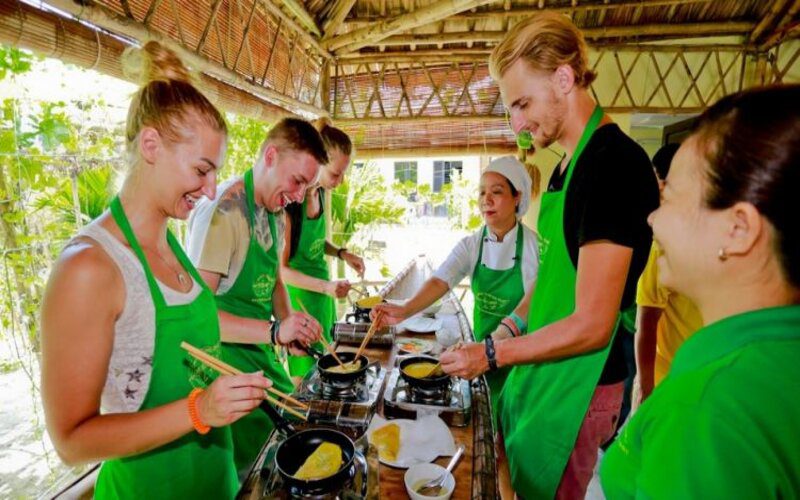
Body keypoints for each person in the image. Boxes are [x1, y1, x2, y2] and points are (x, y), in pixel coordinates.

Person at [439, 12, 659, 499]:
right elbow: (559, 275)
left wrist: (491, 354)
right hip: (546, 370)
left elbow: (593, 323)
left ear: (563, 78)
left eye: (523, 104)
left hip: (580, 385)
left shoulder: (612, 165)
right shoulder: (566, 167)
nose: (517, 124)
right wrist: (508, 327)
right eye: (510, 110)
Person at [40, 42, 273, 499]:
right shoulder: (89, 266)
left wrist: (275, 332)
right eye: (202, 170)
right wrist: (199, 410)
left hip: (216, 484)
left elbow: (191, 331)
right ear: (151, 145)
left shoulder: (170, 244)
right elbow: (71, 441)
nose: (211, 191)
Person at [601, 84, 800, 498]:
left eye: (669, 197)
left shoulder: (702, 412)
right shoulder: (776, 359)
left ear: (738, 229)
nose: (653, 219)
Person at [186, 117, 325, 476]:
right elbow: (198, 315)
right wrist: (275, 331)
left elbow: (275, 281)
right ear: (271, 156)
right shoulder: (224, 211)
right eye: (297, 181)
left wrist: (290, 326)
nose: (299, 196)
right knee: (257, 466)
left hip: (258, 352)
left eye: (307, 187)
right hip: (224, 363)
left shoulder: (274, 211)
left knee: (293, 431)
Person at [373, 156, 539, 415]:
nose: (486, 200)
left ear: (517, 197)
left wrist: (497, 342)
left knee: (513, 418)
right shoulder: (472, 245)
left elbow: (531, 304)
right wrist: (405, 310)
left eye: (497, 192)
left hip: (519, 357)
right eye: (482, 192)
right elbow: (441, 280)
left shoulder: (534, 247)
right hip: (481, 350)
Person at [281, 118, 365, 380]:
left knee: (328, 371)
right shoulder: (290, 205)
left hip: (322, 299)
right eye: (335, 174)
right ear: (317, 161)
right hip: (300, 302)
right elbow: (282, 271)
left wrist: (341, 253)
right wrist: (326, 287)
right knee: (304, 382)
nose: (340, 181)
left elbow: (315, 242)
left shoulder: (320, 193)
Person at [632, 143, 702, 409]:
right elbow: (647, 321)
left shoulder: (664, 246)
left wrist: (644, 387)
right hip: (675, 377)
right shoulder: (664, 245)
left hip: (677, 380)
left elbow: (646, 323)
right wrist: (644, 385)